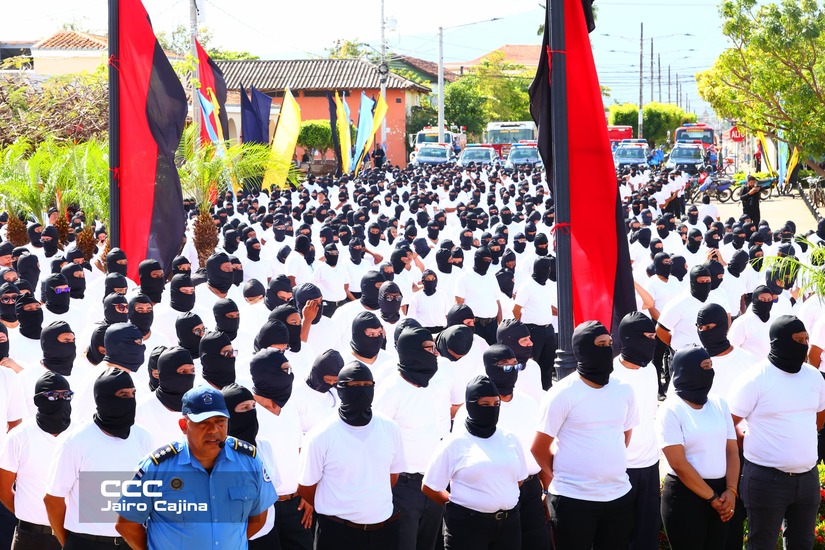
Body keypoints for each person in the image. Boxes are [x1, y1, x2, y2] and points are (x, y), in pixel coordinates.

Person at [115, 386, 277, 549]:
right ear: (184, 426)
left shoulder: (248, 461)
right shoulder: (157, 468)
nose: (214, 430)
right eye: (204, 423)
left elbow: (259, 517)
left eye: (220, 422)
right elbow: (127, 525)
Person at [531, 320, 638, 549]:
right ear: (582, 349)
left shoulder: (624, 390)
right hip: (573, 500)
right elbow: (538, 448)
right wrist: (565, 475)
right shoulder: (562, 393)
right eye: (601, 344)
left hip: (618, 497)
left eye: (610, 343)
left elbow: (624, 436)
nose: (608, 349)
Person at [728, 315, 825, 549]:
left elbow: (820, 418)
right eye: (798, 340)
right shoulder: (755, 378)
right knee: (762, 544)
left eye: (806, 339)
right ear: (779, 342)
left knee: (802, 544)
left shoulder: (814, 377)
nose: (804, 345)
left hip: (808, 479)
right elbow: (729, 423)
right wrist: (750, 442)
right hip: (766, 480)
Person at [297, 361, 405, 549]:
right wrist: (336, 505)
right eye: (354, 386)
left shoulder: (390, 428)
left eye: (367, 385)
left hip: (384, 532)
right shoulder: (321, 435)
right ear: (340, 390)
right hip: (338, 534)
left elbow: (392, 475)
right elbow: (306, 486)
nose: (361, 391)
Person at [45, 368, 153, 549]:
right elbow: (53, 499)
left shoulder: (143, 437)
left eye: (132, 394)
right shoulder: (75, 441)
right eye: (123, 394)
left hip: (130, 542)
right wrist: (70, 544)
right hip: (86, 543)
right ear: (104, 398)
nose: (130, 400)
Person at [422, 375, 527, 550]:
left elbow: (519, 478)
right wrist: (457, 504)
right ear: (471, 405)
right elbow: (430, 486)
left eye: (496, 404)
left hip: (509, 525)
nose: (492, 409)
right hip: (467, 528)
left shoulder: (510, 438)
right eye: (485, 405)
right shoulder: (454, 442)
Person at [656, 346, 739, 550]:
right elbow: (678, 463)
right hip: (685, 498)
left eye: (710, 366)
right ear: (687, 370)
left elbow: (731, 451)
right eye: (704, 366)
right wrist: (711, 497)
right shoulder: (671, 409)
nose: (710, 372)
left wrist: (731, 491)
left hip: (721, 495)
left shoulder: (720, 403)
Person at [0, 371, 72, 550]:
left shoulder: (80, 435)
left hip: (72, 536)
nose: (62, 400)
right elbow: (3, 488)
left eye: (66, 395)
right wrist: (28, 513)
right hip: (30, 538)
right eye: (55, 396)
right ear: (39, 401)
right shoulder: (19, 436)